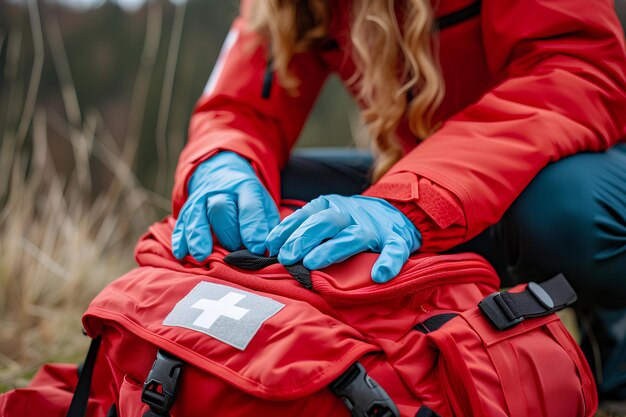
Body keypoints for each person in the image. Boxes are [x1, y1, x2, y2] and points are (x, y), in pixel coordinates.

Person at [170, 0, 626, 400]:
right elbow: (239, 107)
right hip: (434, 186)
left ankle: (609, 323)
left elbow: (575, 70)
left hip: (575, 170)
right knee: (267, 198)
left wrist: (412, 199)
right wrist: (221, 162)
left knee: (570, 213)